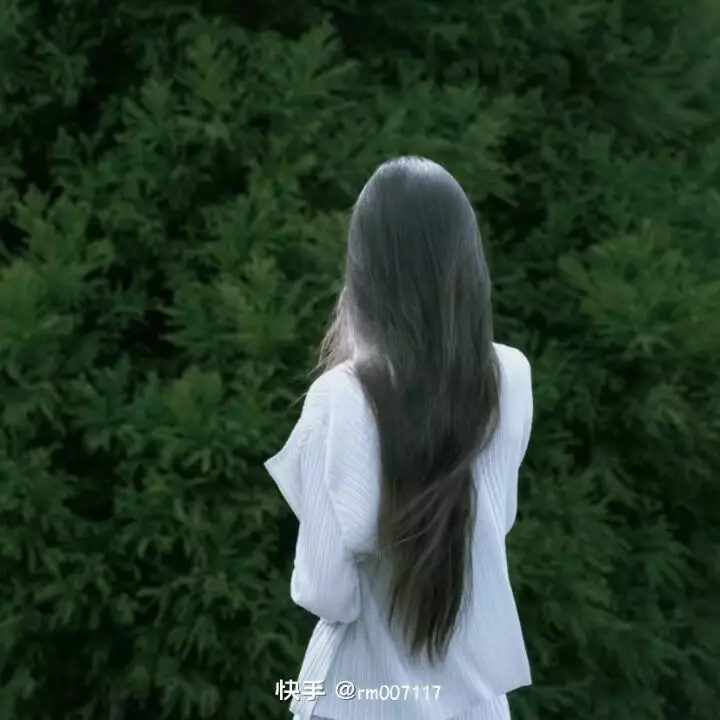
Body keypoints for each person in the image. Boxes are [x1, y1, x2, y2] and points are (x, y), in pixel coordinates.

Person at [265, 156, 533, 720]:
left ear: (365, 272)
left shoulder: (341, 396)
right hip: (473, 702)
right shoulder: (509, 376)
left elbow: (325, 590)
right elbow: (496, 522)